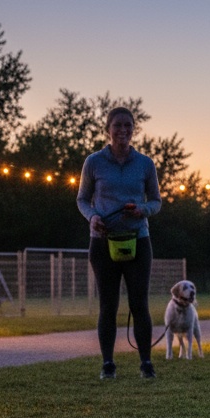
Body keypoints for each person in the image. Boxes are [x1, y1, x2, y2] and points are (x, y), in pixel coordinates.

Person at [77, 106, 162, 380]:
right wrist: (92, 217)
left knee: (140, 304)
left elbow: (156, 201)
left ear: (133, 129)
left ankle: (146, 363)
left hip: (138, 239)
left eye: (128, 125)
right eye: (118, 126)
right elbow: (82, 199)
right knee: (108, 305)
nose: (123, 131)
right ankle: (108, 364)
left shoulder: (145, 164)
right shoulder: (94, 162)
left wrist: (142, 210)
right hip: (103, 242)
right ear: (108, 129)